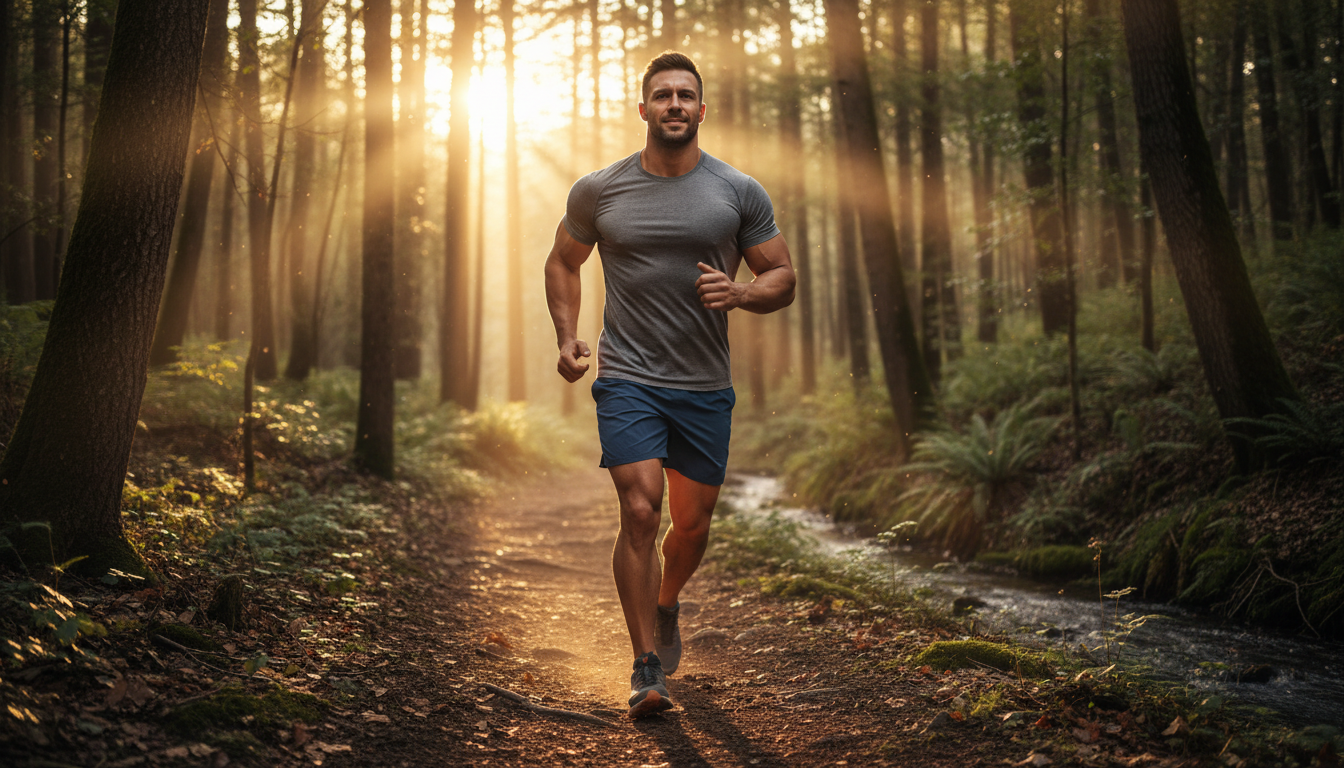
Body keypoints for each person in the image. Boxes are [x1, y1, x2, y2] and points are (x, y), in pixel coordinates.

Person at [543, 51, 796, 719]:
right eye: (663, 95)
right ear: (644, 108)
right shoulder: (600, 190)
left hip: (704, 384)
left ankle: (666, 600)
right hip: (628, 376)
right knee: (641, 510)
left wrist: (742, 292)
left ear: (702, 110)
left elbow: (782, 277)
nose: (675, 104)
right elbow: (563, 262)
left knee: (691, 525)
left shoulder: (738, 191)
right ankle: (646, 667)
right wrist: (567, 336)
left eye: (687, 95)